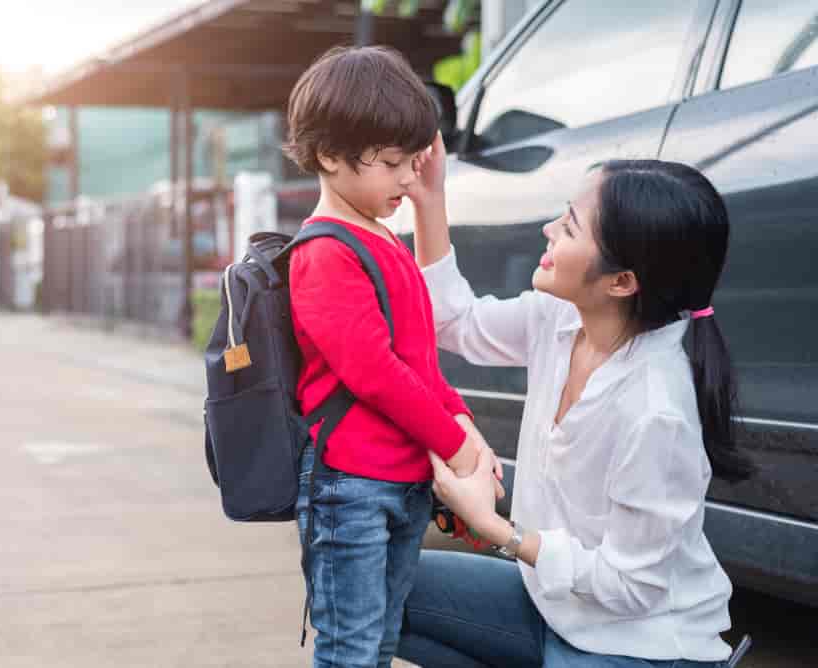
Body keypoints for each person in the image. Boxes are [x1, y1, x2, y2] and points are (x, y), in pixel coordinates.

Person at [396, 138, 756, 667]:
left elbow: (631, 586)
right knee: (373, 588)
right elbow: (455, 322)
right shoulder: (560, 318)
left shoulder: (656, 409)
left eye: (568, 227)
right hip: (553, 606)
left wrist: (496, 528)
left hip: (639, 642)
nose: (548, 230)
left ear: (621, 282)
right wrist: (430, 200)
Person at [283, 46, 502, 667]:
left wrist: (465, 428)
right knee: (351, 648)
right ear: (329, 156)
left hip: (401, 483)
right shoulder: (324, 252)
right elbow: (375, 373)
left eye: (411, 163)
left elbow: (420, 361)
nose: (407, 180)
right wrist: (456, 446)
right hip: (348, 487)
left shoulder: (381, 239)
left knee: (379, 642)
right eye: (391, 165)